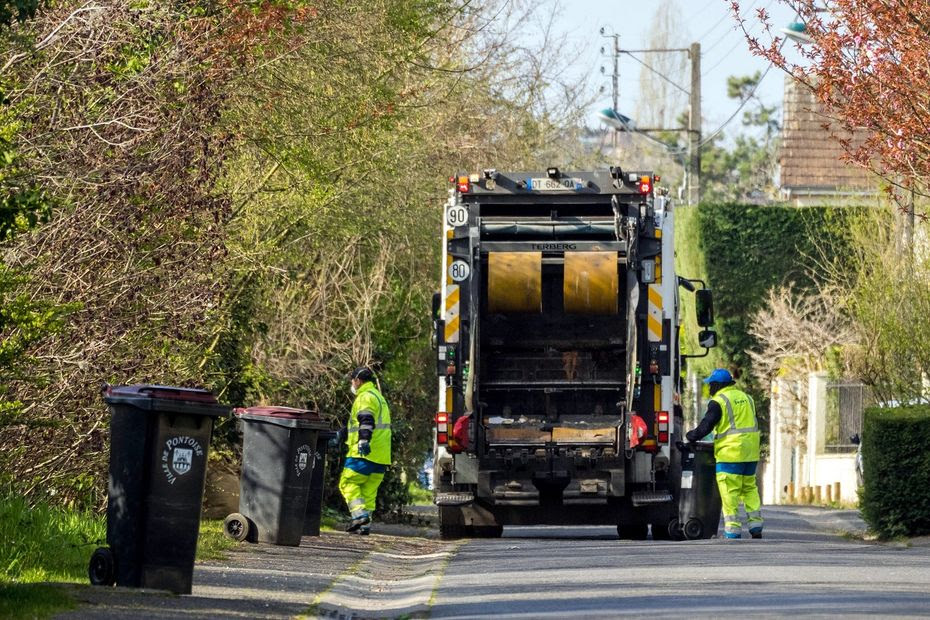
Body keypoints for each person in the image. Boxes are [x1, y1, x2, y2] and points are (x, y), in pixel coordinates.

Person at [685, 367, 763, 540]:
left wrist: (691, 436)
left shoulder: (719, 401)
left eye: (710, 385)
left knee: (729, 490)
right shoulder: (747, 398)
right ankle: (756, 525)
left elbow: (707, 425)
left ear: (716, 385)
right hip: (750, 453)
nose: (709, 389)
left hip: (731, 452)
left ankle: (733, 530)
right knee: (749, 488)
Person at [333, 366, 392, 535]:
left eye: (353, 380)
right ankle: (364, 526)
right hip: (381, 456)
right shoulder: (378, 397)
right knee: (368, 492)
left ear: (358, 381)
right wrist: (341, 434)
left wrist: (363, 440)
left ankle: (359, 516)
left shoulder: (365, 397)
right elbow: (356, 422)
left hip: (364, 453)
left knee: (347, 483)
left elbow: (366, 420)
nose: (352, 383)